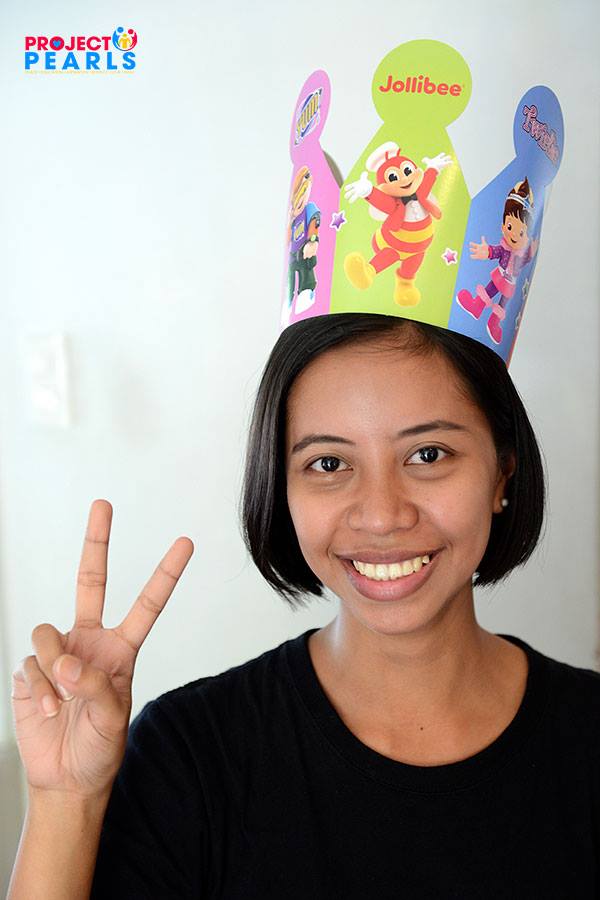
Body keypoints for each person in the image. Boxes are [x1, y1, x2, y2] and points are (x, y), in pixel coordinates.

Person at [8, 313, 600, 899]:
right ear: (282, 487)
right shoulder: (192, 754)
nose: (381, 515)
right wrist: (65, 801)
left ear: (502, 473)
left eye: (428, 454)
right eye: (329, 463)